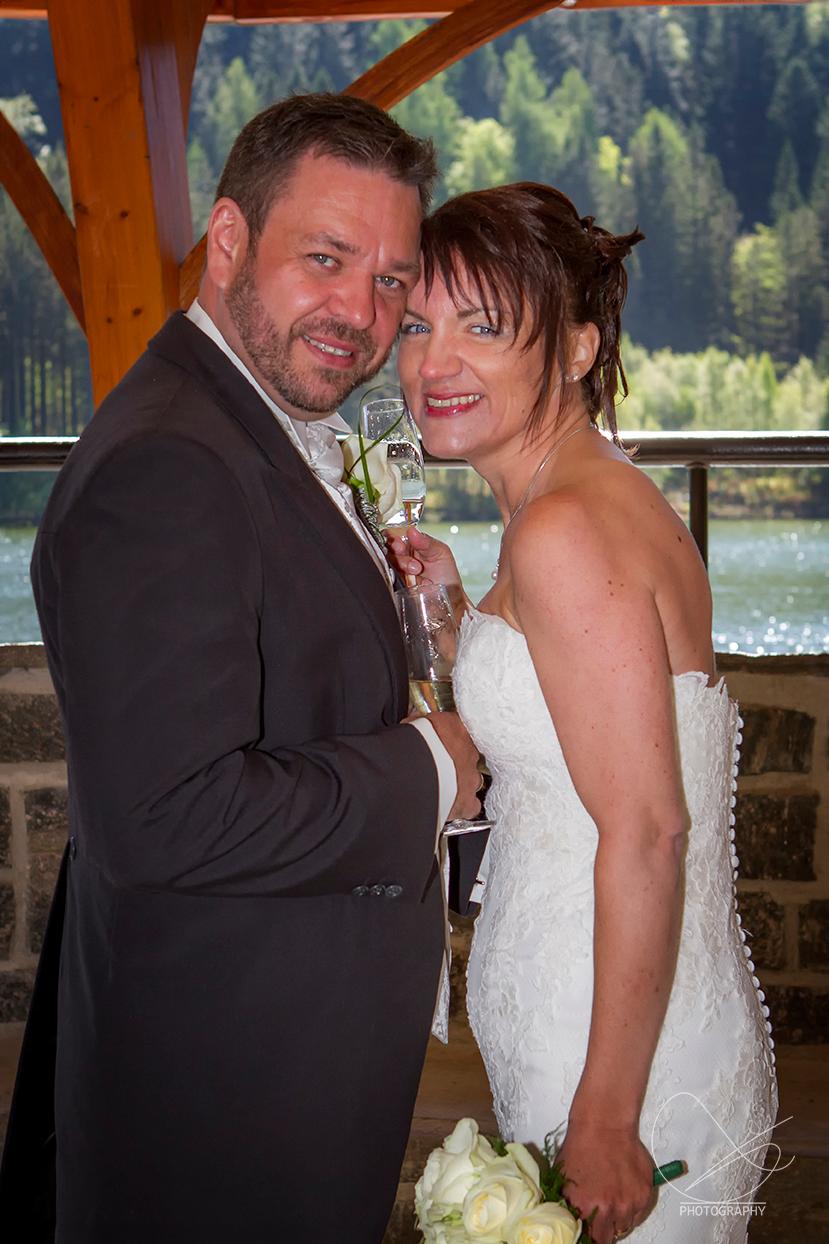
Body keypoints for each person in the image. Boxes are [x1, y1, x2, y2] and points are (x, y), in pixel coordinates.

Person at [0, 94, 484, 1244]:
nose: (360, 311)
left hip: (282, 1062)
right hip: (219, 1102)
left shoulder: (249, 424)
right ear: (228, 240)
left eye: (391, 278)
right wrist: (429, 767)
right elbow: (168, 815)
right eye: (325, 258)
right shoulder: (167, 462)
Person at [388, 183, 778, 1243]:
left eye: (480, 326)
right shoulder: (591, 493)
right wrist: (453, 612)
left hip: (617, 1067)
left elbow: (648, 828)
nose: (433, 363)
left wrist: (604, 1119)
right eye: (416, 325)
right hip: (616, 1017)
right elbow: (572, 713)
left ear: (574, 346)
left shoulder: (563, 531)